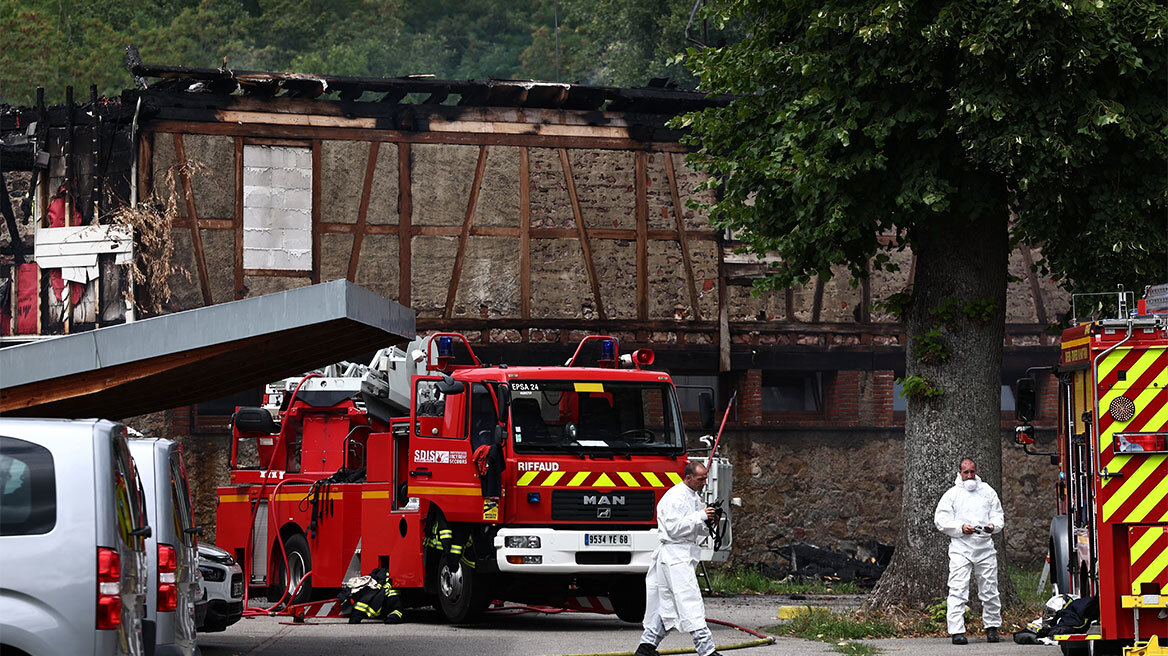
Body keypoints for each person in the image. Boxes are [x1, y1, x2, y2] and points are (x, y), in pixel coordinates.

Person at [634, 461, 723, 656]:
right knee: (689, 600)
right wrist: (700, 516)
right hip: (675, 556)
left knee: (668, 603)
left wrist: (709, 523)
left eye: (706, 479)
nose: (704, 483)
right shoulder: (675, 497)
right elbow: (674, 529)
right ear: (688, 478)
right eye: (701, 479)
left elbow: (694, 532)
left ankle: (646, 647)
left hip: (681, 555)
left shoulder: (693, 498)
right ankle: (707, 650)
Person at [934, 457, 1005, 645]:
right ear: (959, 473)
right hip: (961, 548)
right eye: (966, 472)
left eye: (972, 471)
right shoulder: (952, 494)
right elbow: (941, 521)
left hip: (984, 546)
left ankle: (992, 627)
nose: (970, 475)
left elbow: (998, 515)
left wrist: (992, 526)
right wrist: (960, 528)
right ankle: (957, 631)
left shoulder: (988, 492)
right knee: (958, 588)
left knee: (990, 588)